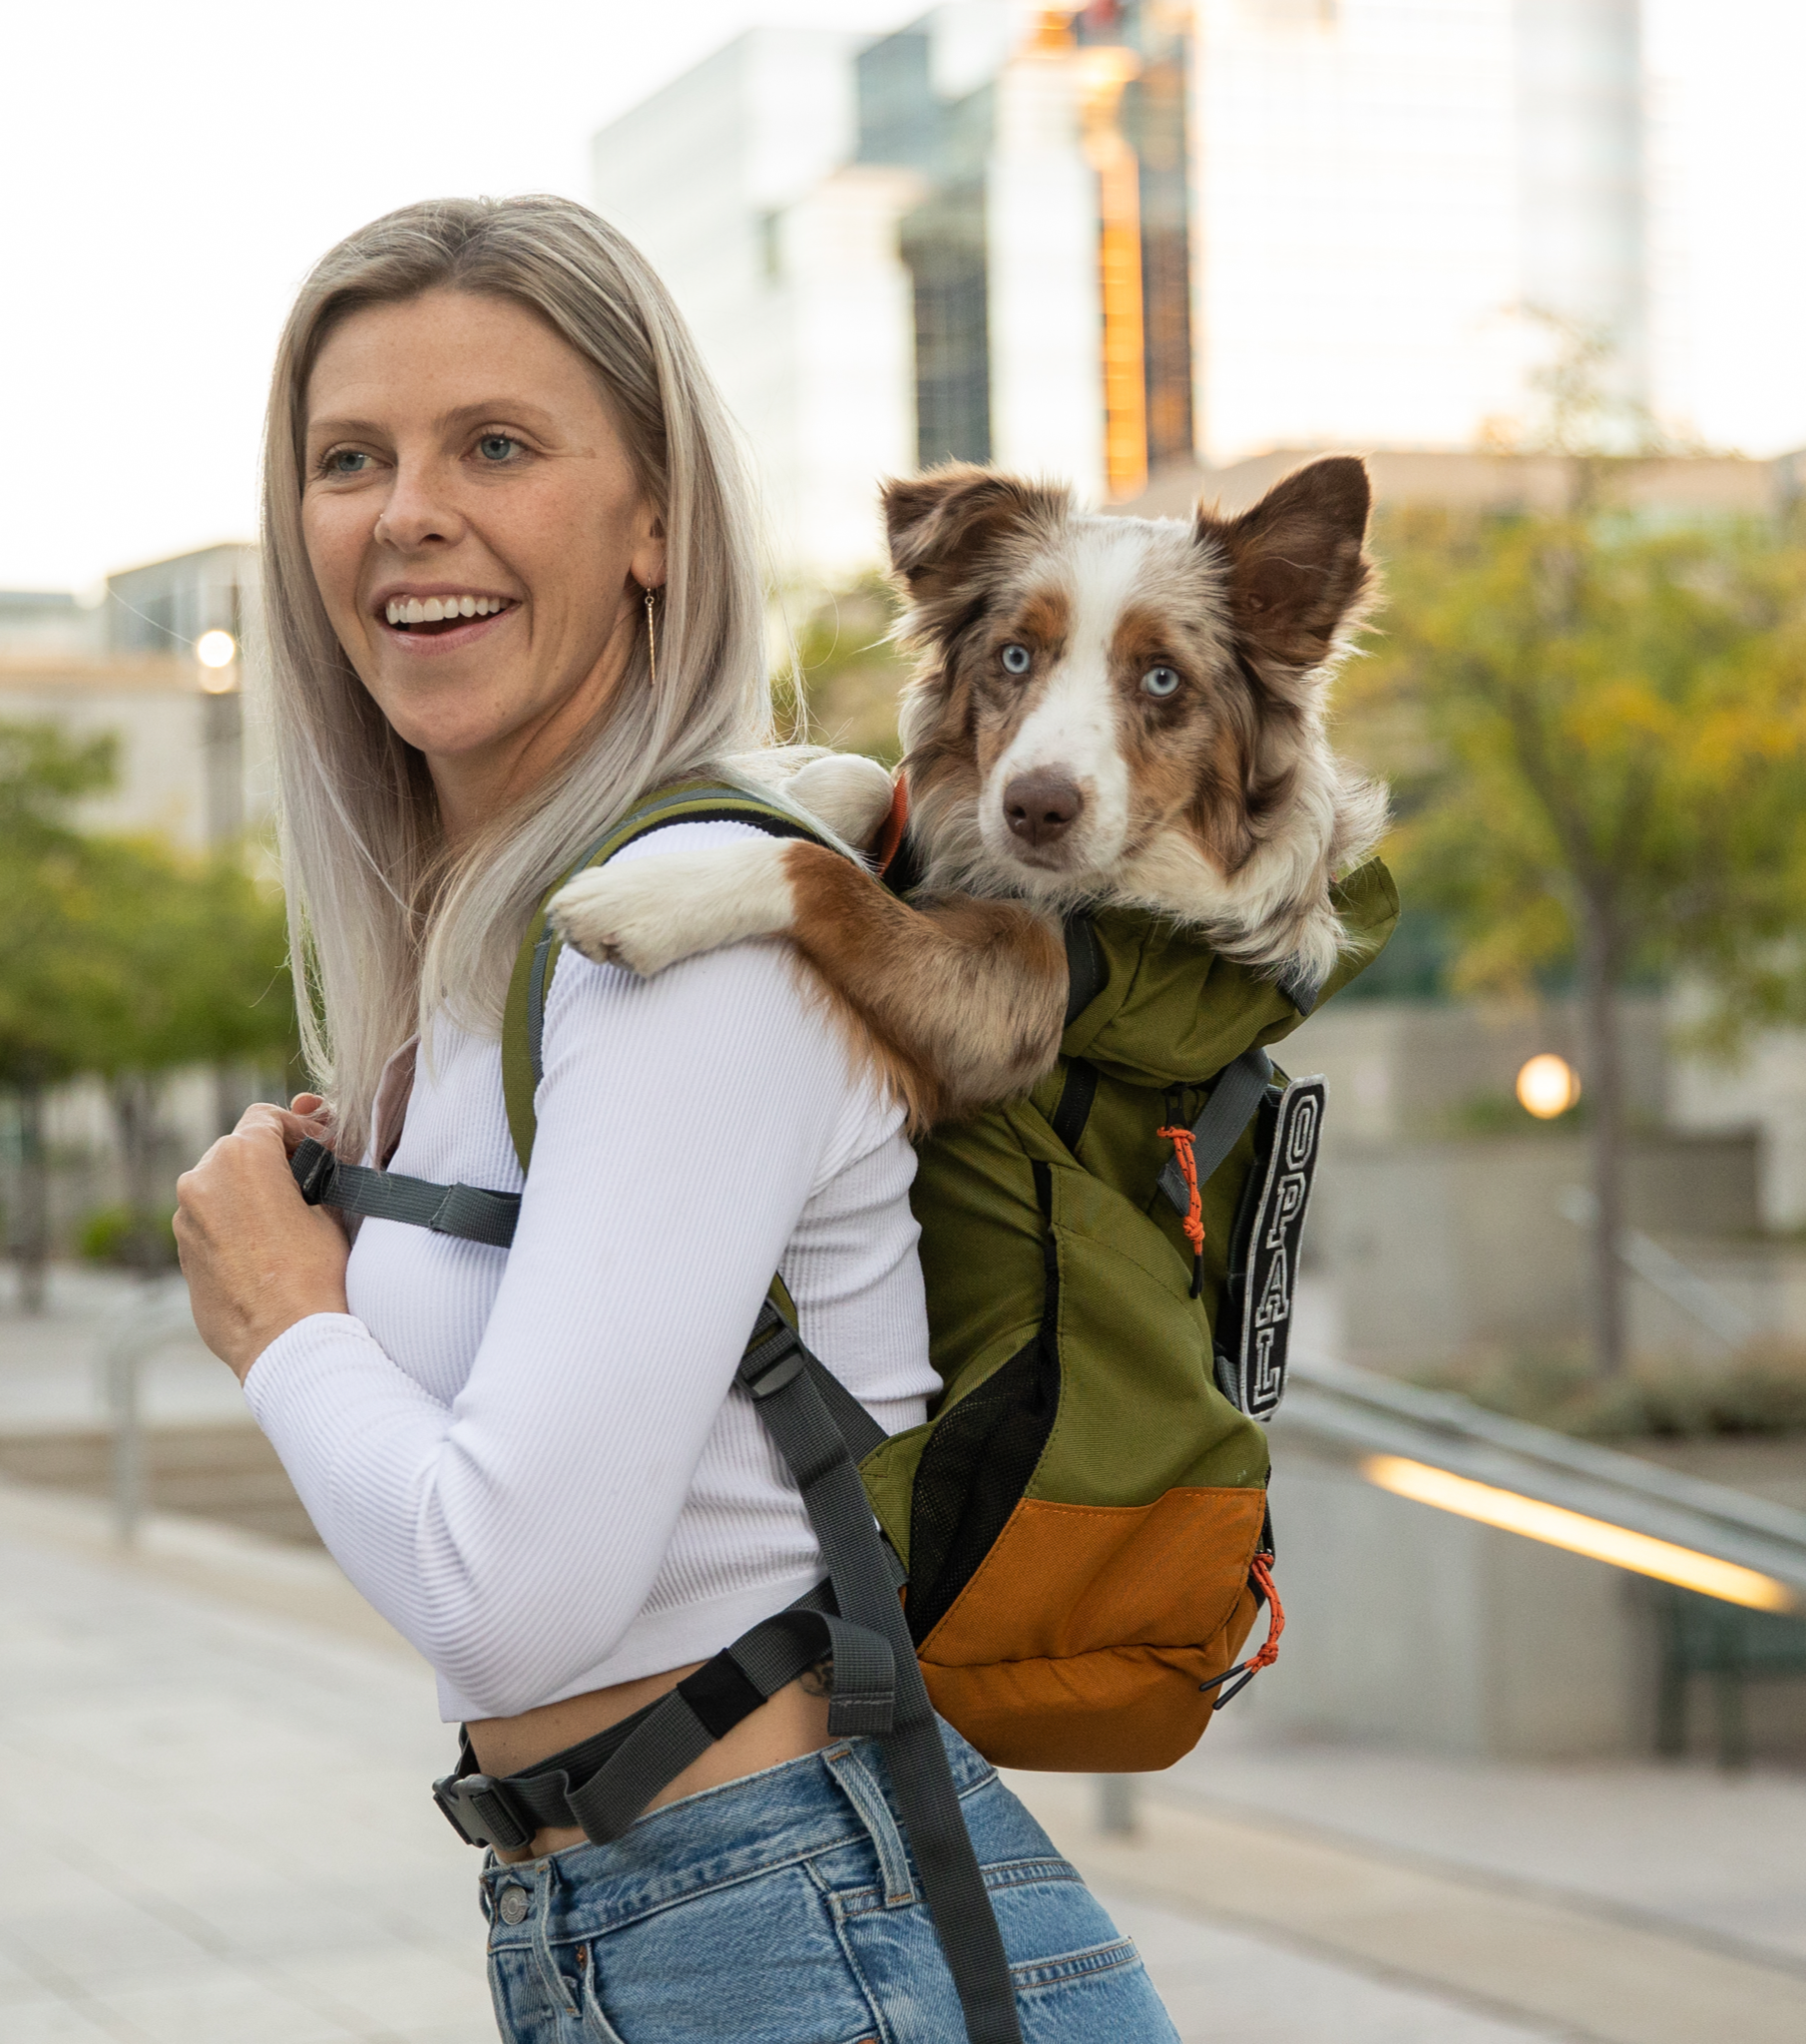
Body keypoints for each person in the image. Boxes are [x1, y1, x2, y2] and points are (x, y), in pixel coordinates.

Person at [173, 195, 1178, 2042]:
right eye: (349, 458)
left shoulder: (694, 945)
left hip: (805, 1937)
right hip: (667, 1924)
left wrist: (282, 1320)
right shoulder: (501, 968)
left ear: (655, 524)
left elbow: (507, 1600)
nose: (407, 512)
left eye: (497, 446)